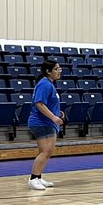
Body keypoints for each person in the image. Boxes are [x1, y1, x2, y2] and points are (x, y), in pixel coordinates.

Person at [27, 60, 64, 191]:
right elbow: (39, 103)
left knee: (44, 152)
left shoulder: (47, 84)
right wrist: (53, 117)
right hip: (42, 123)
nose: (59, 71)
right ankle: (33, 179)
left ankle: (38, 177)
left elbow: (47, 104)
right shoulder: (45, 84)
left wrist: (57, 113)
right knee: (46, 152)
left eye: (59, 69)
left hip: (45, 122)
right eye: (56, 69)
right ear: (48, 71)